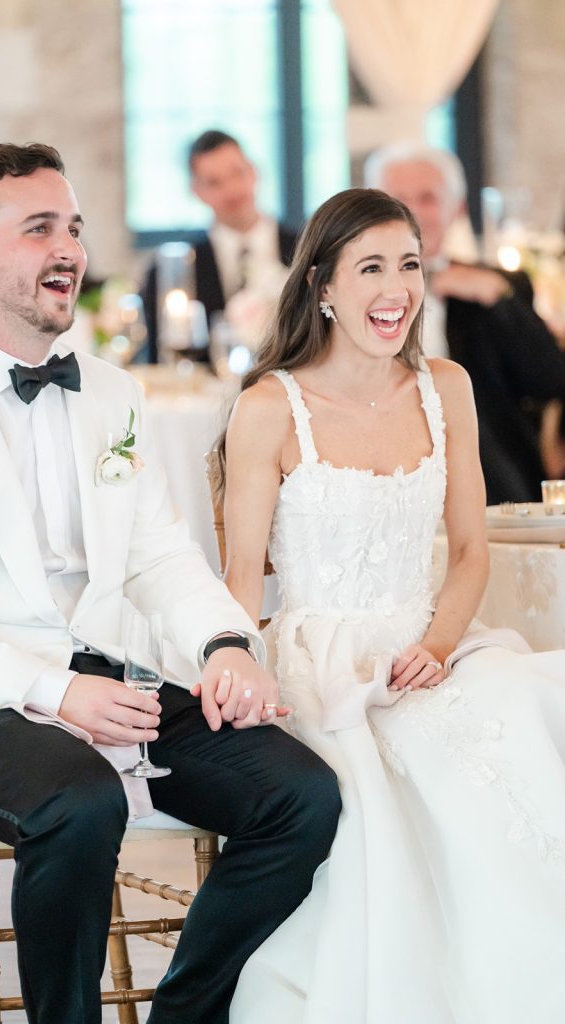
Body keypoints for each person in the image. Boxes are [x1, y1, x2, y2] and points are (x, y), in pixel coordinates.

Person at [0, 142, 341, 1024]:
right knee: (79, 800)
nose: (69, 249)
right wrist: (54, 693)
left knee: (301, 795)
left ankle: (186, 1012)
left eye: (75, 227)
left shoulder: (112, 395)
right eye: (38, 228)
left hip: (110, 675)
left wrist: (224, 645)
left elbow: (160, 559)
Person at [219, 188, 565, 1023]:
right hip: (325, 666)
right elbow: (237, 581)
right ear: (322, 288)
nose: (396, 289)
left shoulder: (445, 386)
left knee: (527, 706)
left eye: (408, 265)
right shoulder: (269, 408)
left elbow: (473, 550)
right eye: (370, 267)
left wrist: (440, 645)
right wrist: (237, 671)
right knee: (419, 776)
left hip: (434, 645)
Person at [364, 142, 565, 504]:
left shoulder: (496, 285)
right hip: (373, 463)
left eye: (427, 198)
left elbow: (551, 377)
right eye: (398, 198)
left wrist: (499, 299)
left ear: (455, 209)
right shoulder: (350, 292)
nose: (411, 211)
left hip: (487, 472)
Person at [140, 129, 297, 362]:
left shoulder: (305, 245)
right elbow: (158, 354)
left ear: (254, 172)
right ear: (197, 191)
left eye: (237, 173)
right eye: (214, 182)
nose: (231, 189)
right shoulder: (177, 267)